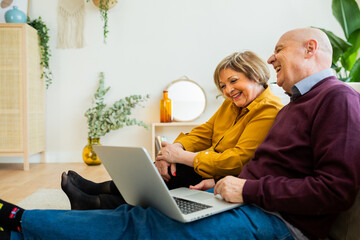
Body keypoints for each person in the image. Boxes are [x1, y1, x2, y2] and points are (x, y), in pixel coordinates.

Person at [1, 27, 359, 240]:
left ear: (310, 49)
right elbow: (251, 157)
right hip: (251, 201)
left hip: (281, 223)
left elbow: (334, 190)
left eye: (279, 48)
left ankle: (19, 222)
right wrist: (223, 185)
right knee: (150, 215)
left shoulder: (337, 99)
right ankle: (28, 224)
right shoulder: (299, 103)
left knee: (144, 228)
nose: (271, 56)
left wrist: (246, 187)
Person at [60, 50, 283, 210]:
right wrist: (175, 148)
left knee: (174, 174)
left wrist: (182, 156)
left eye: (233, 81)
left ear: (255, 74)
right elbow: (203, 132)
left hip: (232, 173)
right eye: (223, 86)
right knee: (167, 168)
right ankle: (99, 191)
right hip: (211, 164)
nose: (228, 90)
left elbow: (237, 160)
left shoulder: (268, 110)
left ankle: (98, 201)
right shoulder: (232, 104)